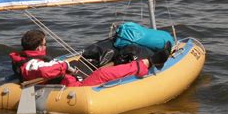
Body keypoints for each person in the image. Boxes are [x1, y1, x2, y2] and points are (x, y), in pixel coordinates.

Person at [10, 29, 172, 88]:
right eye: (45, 44)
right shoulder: (31, 64)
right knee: (101, 75)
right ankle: (150, 61)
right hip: (74, 87)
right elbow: (44, 72)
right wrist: (64, 66)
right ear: (38, 47)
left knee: (102, 67)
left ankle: (141, 60)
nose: (46, 47)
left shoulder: (31, 60)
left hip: (71, 80)